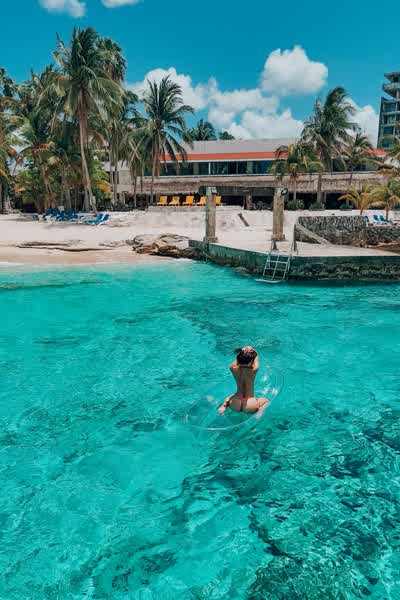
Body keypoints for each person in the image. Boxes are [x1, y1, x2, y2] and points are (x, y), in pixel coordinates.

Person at [218, 346, 270, 415]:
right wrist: (253, 350)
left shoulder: (233, 369)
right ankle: (259, 413)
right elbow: (256, 357)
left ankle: (224, 405)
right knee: (266, 401)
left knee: (229, 397)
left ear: (238, 359)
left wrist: (241, 352)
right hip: (250, 404)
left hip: (235, 404)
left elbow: (236, 359)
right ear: (251, 361)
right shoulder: (254, 370)